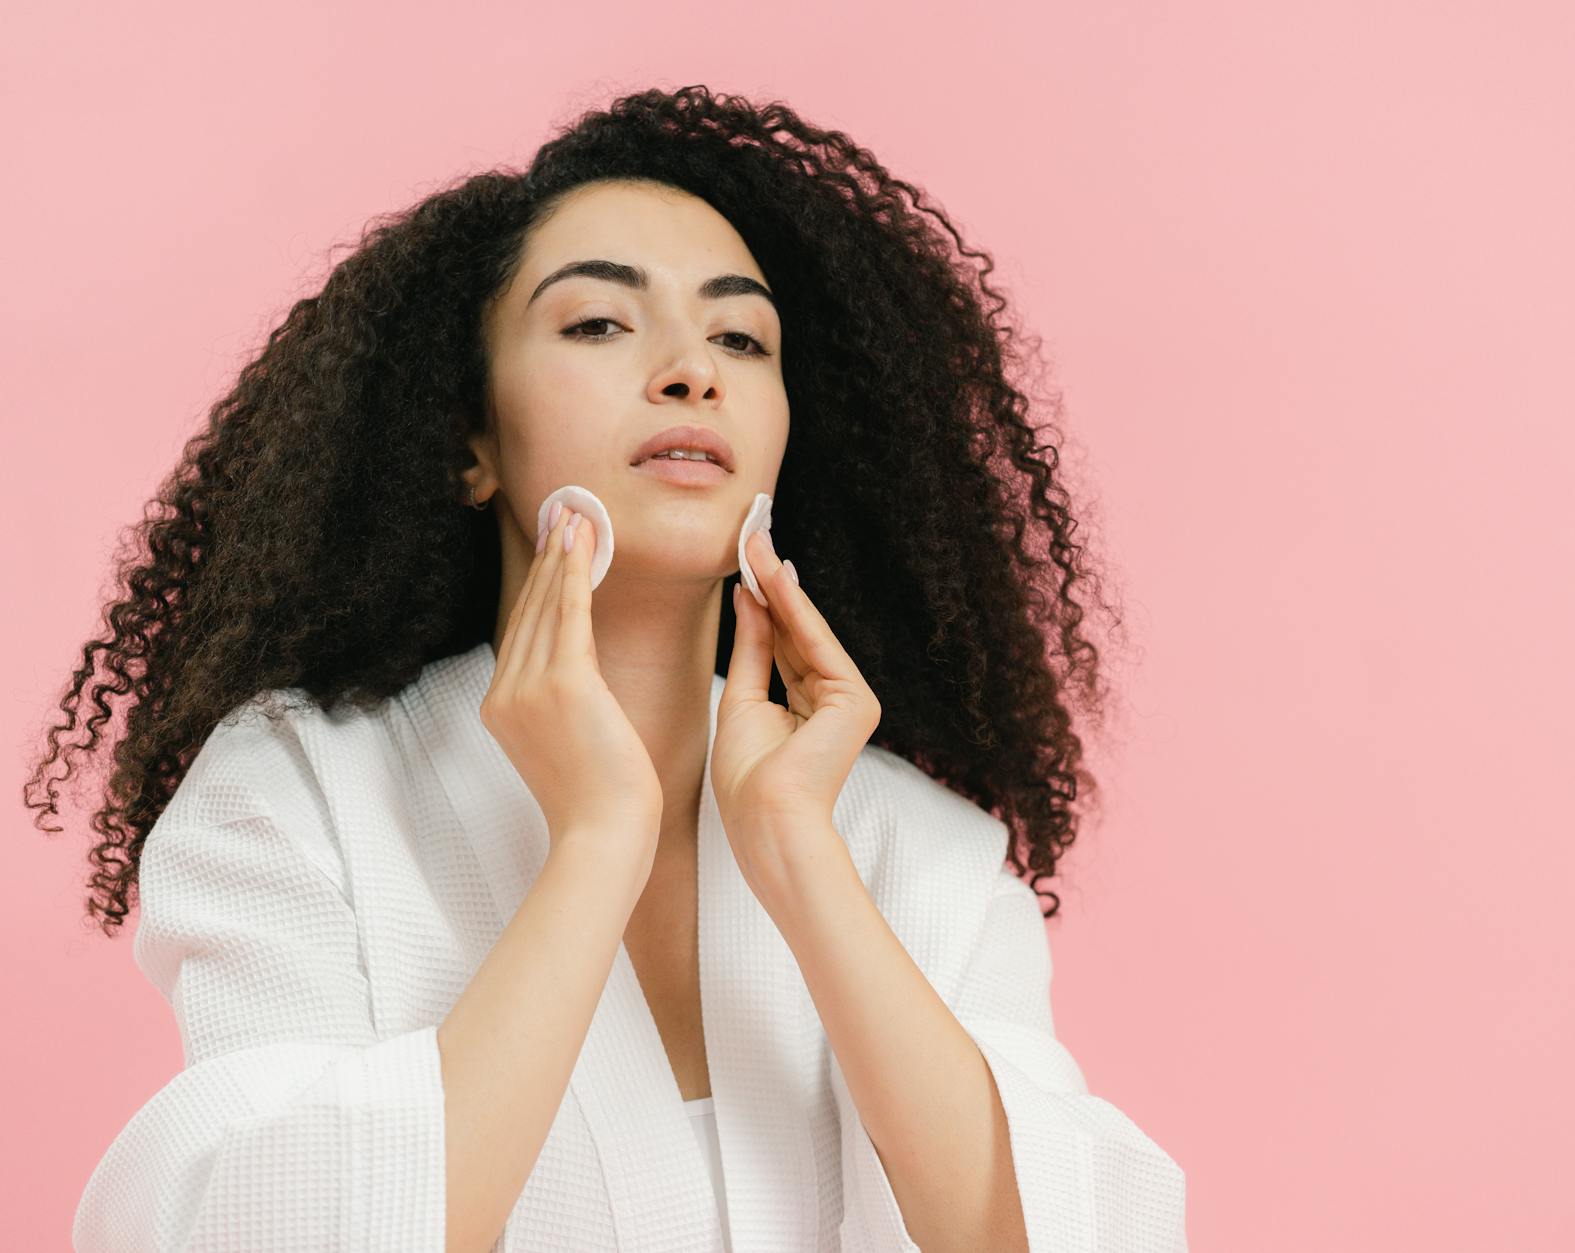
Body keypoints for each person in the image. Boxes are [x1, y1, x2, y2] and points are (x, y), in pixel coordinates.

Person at [35, 84, 1186, 1251]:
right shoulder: (297, 792)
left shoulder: (922, 853)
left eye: (740, 338)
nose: (692, 370)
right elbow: (275, 1225)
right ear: (470, 441)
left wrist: (796, 848)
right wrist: (595, 843)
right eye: (597, 324)